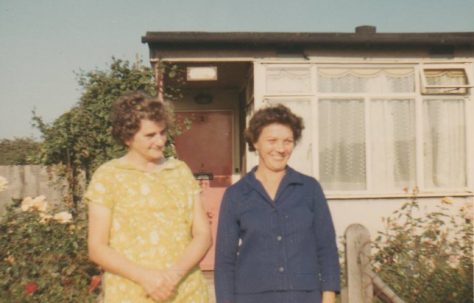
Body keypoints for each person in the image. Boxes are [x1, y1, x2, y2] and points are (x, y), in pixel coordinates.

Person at [86, 91, 211, 303]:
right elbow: (97, 248)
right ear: (127, 137)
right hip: (131, 294)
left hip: (186, 292)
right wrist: (146, 278)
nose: (160, 141)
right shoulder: (108, 176)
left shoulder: (180, 172)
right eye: (150, 135)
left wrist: (174, 275)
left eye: (162, 133)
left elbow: (203, 234)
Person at [214, 104, 340, 303]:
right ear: (256, 143)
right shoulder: (236, 195)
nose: (281, 149)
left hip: (304, 297)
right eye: (272, 141)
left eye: (288, 141)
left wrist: (329, 295)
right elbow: (224, 262)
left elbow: (326, 248)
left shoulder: (309, 189)